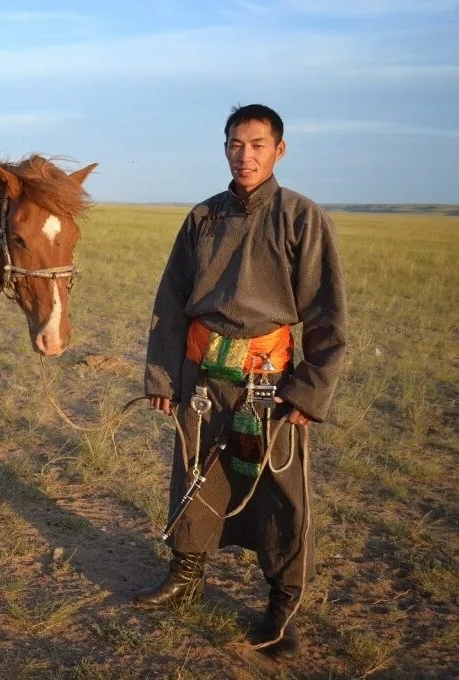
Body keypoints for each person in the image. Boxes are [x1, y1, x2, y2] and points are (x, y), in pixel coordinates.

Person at [139, 104, 347, 661]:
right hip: (202, 375)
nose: (244, 154)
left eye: (257, 144)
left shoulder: (302, 217)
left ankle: (282, 602)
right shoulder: (203, 218)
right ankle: (186, 575)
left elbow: (327, 314)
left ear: (279, 150)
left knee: (280, 490)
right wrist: (162, 374)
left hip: (270, 384)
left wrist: (308, 389)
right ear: (224, 148)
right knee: (196, 473)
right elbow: (170, 303)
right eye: (235, 143)